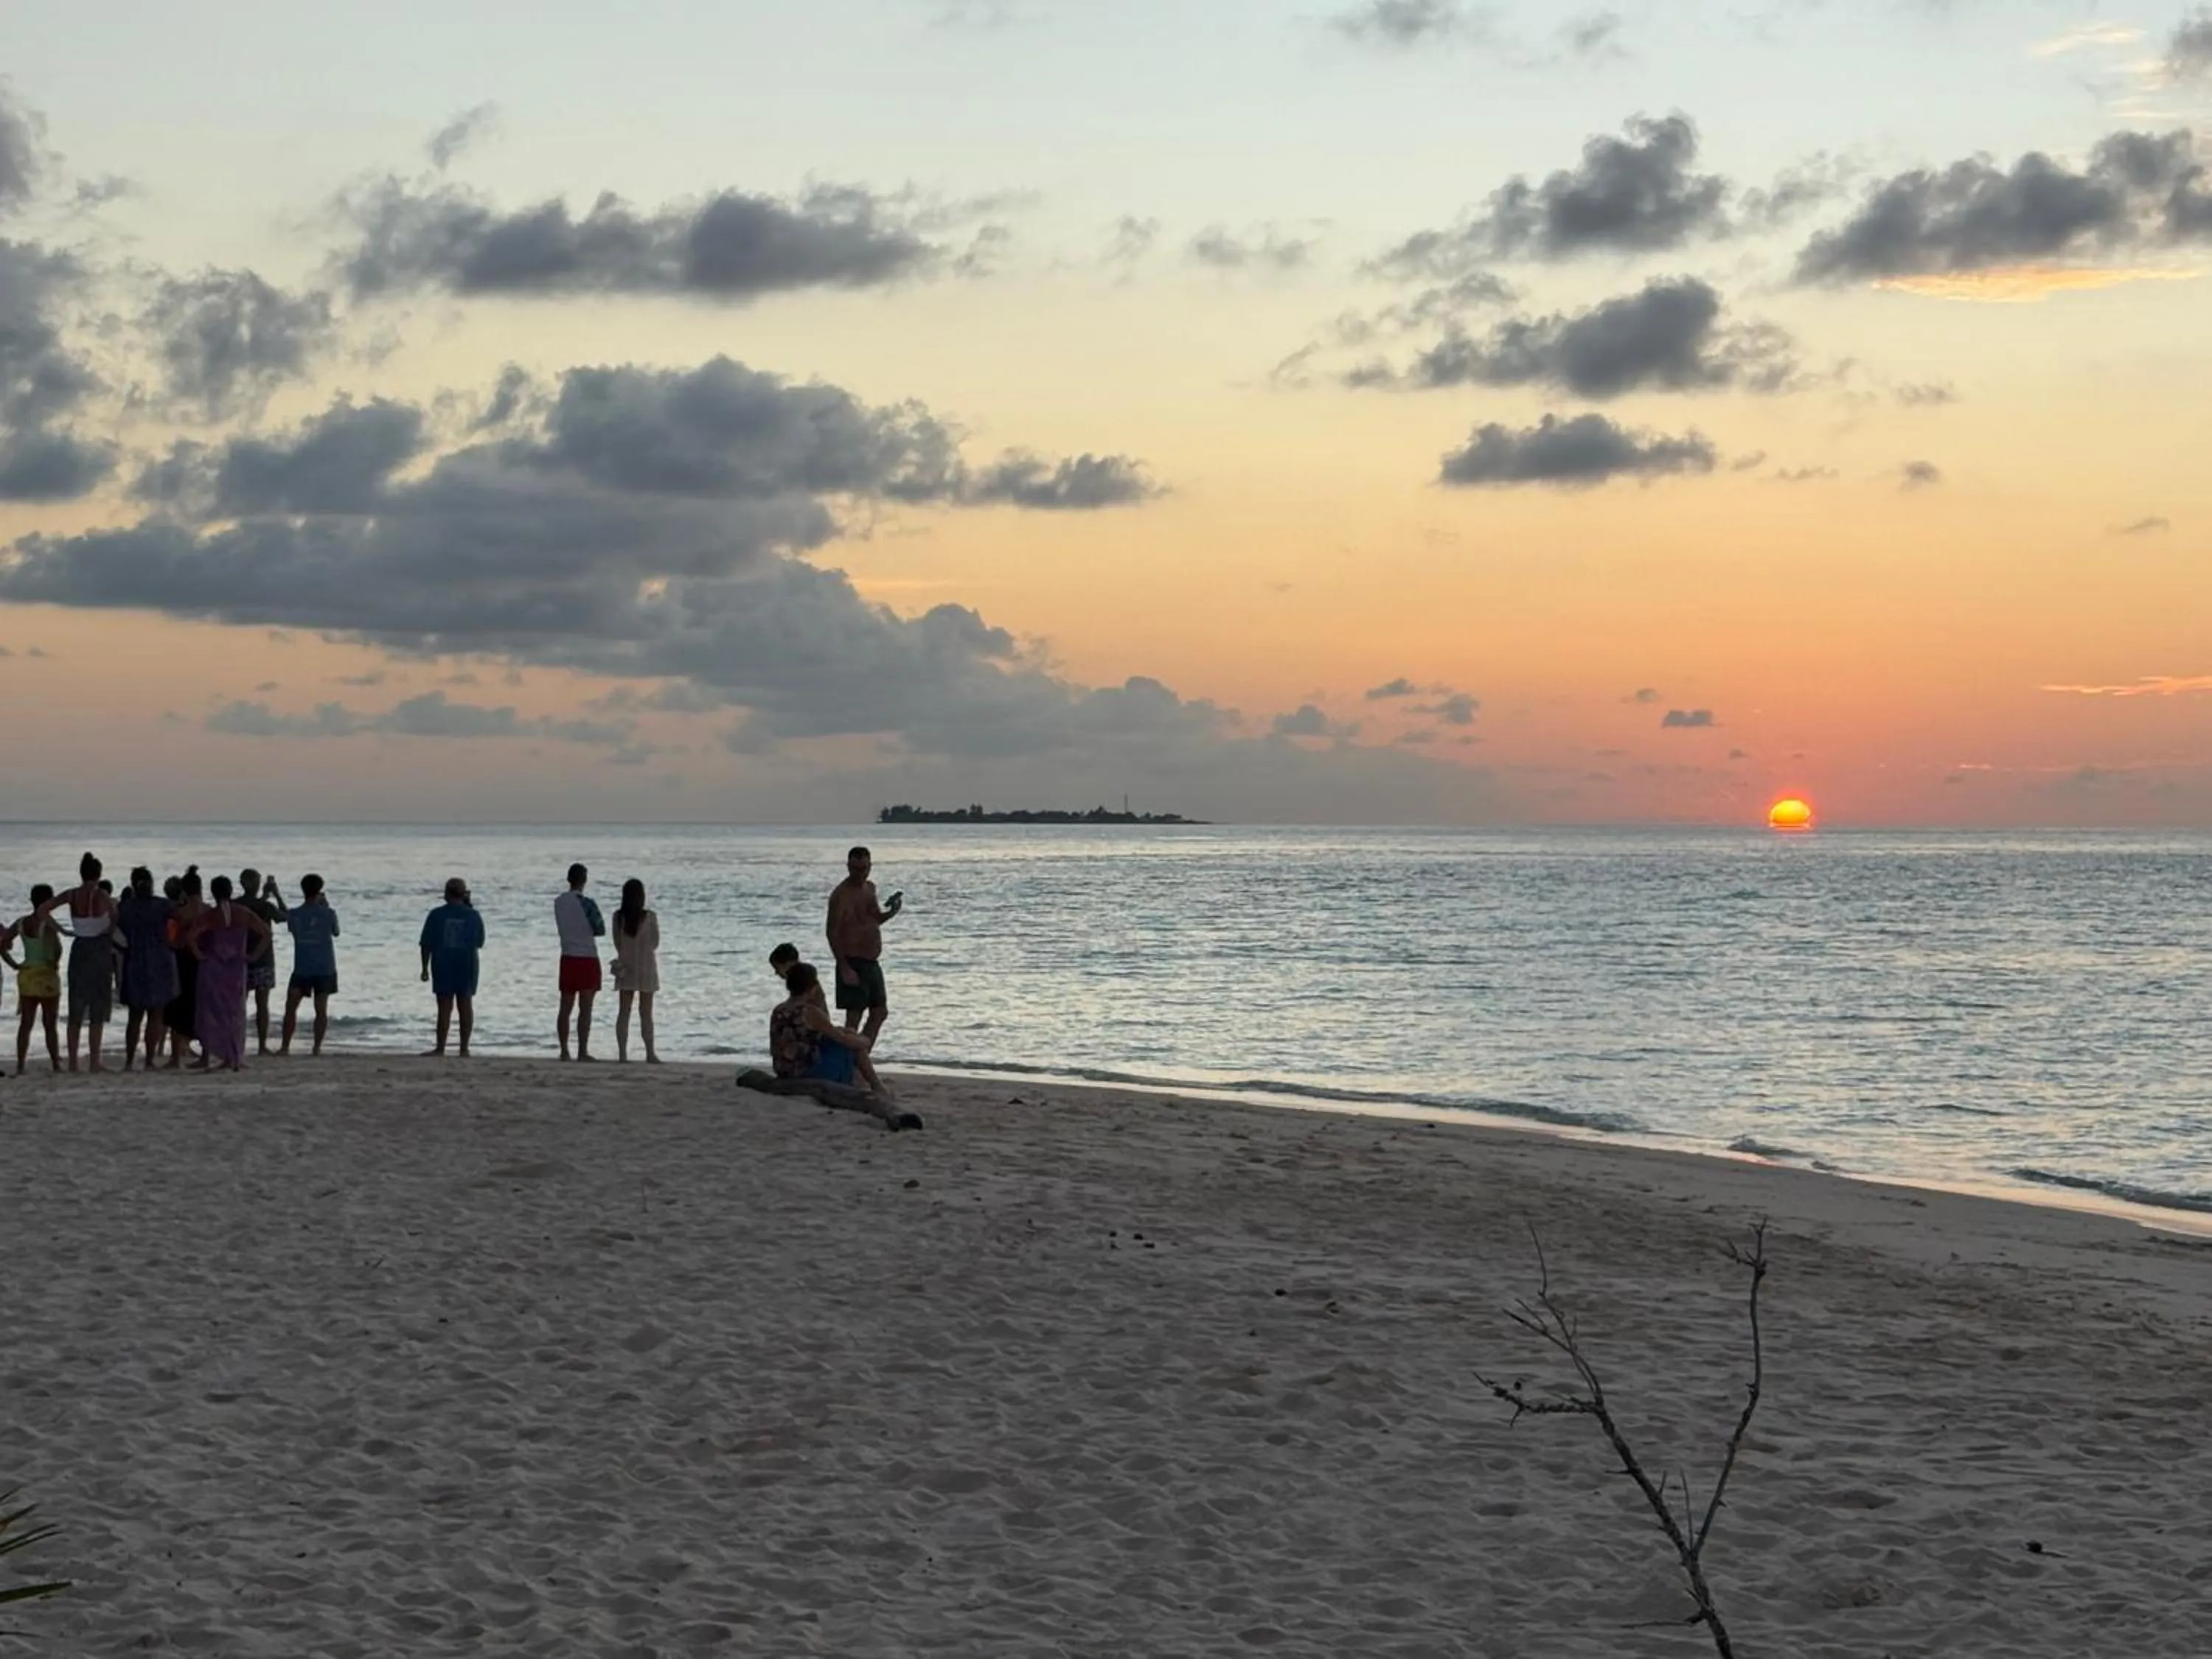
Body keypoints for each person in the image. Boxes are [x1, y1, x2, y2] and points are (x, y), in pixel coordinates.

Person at [187, 875, 269, 1072]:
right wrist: (253, 956)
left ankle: (210, 1056)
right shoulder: (242, 913)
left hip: (214, 966)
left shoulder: (212, 915)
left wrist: (200, 955)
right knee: (235, 1011)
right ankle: (234, 1055)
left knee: (211, 1011)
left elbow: (191, 937)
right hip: (236, 967)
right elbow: (266, 933)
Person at [770, 961, 888, 1098]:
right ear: (813, 987)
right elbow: (842, 1039)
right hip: (805, 1072)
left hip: (784, 1069)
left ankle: (866, 1082)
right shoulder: (810, 1012)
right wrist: (865, 1042)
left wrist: (848, 1033)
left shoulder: (779, 1010)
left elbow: (809, 1034)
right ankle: (878, 1086)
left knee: (848, 1033)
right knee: (854, 1045)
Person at [826, 846, 902, 1046]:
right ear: (848, 867)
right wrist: (844, 967)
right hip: (852, 961)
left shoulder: (870, 888)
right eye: (855, 869)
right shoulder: (840, 895)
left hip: (871, 961)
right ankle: (848, 1059)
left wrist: (892, 911)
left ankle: (860, 1056)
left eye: (864, 869)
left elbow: (874, 919)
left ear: (870, 867)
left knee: (879, 1012)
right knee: (854, 1018)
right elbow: (832, 933)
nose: (859, 873)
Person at [58, 852, 119, 1072]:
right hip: (99, 948)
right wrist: (107, 932)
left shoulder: (72, 894)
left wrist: (63, 929)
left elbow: (43, 909)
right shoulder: (102, 895)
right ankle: (94, 1061)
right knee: (97, 1007)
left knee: (76, 1005)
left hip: (80, 947)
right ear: (99, 874)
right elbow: (115, 916)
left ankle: (73, 1062)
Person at [116, 866, 178, 1071]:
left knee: (134, 1016)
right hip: (159, 961)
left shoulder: (125, 908)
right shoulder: (162, 905)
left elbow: (113, 929)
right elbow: (184, 915)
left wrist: (121, 947)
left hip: (135, 961)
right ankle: (149, 1059)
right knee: (155, 1014)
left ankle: (129, 1060)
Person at [418, 877, 484, 1058]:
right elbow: (479, 942)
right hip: (467, 964)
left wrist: (424, 968)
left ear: (447, 894)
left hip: (443, 964)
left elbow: (426, 944)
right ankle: (464, 1048)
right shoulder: (473, 915)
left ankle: (441, 1047)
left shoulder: (436, 915)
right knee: (465, 1005)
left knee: (444, 1008)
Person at [1, 885, 63, 1075]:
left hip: (27, 974)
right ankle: (55, 1064)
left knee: (26, 1023)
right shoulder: (49, 924)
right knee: (50, 1024)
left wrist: (14, 965)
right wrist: (55, 962)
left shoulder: (21, 923)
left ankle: (21, 1065)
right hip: (46, 975)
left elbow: (2, 945)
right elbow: (57, 949)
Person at [281, 873, 340, 1057]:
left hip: (302, 967)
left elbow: (293, 929)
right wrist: (326, 906)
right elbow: (336, 932)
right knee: (321, 1009)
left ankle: (285, 1047)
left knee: (291, 1008)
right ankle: (316, 1048)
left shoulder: (295, 914)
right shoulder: (328, 913)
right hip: (325, 966)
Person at [553, 863, 604, 1062]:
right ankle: (582, 1050)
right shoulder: (587, 904)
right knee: (585, 1008)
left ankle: (564, 1050)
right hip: (587, 957)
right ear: (584, 880)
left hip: (568, 956)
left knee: (565, 1006)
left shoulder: (559, 902)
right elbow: (599, 929)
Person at [237, 869, 288, 1056]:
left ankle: (237, 1042)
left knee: (239, 1004)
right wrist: (276, 894)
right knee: (262, 1004)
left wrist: (266, 896)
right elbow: (284, 916)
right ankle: (261, 1046)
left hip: (240, 959)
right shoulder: (265, 907)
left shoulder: (237, 905)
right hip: (263, 959)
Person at [611, 877, 661, 1064]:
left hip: (626, 967)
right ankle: (650, 1053)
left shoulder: (618, 918)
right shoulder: (650, 917)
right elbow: (655, 942)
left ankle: (623, 1054)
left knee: (624, 1012)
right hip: (647, 967)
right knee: (646, 1013)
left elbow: (617, 942)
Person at [164, 868, 206, 1070]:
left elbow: (172, 941)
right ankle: (206, 1055)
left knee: (177, 1009)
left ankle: (175, 1058)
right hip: (204, 961)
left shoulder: (178, 913)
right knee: (203, 1008)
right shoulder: (209, 910)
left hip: (182, 961)